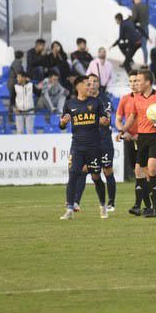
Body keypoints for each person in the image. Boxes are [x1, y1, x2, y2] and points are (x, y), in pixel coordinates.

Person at [119, 69, 156, 218]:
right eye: (135, 80)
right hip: (142, 138)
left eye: (139, 80)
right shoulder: (136, 98)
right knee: (139, 172)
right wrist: (122, 130)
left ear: (148, 82)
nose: (136, 83)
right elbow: (132, 117)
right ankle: (148, 207)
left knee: (151, 170)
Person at [58, 75, 106, 220]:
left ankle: (103, 206)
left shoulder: (96, 102)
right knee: (73, 175)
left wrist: (105, 121)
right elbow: (61, 125)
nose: (90, 86)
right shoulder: (69, 104)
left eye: (91, 84)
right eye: (87, 84)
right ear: (78, 86)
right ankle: (69, 209)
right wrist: (63, 123)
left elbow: (105, 120)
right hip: (77, 147)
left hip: (94, 147)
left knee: (96, 176)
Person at [74, 74, 116, 213]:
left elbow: (107, 120)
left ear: (99, 84)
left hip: (103, 141)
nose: (91, 84)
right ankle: (75, 202)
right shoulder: (83, 100)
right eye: (89, 82)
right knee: (85, 169)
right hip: (88, 142)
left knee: (107, 170)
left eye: (94, 81)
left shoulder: (105, 100)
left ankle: (111, 203)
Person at [115, 70, 140, 188]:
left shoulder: (147, 98)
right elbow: (118, 120)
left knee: (147, 169)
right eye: (130, 81)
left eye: (135, 81)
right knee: (136, 169)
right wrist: (124, 133)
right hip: (130, 138)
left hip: (145, 138)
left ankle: (149, 196)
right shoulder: (124, 99)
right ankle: (143, 198)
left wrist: (141, 135)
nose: (133, 84)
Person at [130, 0, 151, 64]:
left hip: (138, 29)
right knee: (144, 47)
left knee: (131, 45)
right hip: (145, 27)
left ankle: (129, 60)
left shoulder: (135, 6)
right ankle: (145, 63)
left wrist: (130, 19)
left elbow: (134, 18)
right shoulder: (145, 6)